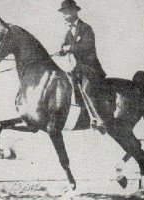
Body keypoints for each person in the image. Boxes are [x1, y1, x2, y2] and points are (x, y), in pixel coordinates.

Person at [58, 0, 113, 132]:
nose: (65, 15)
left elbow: (87, 46)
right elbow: (64, 46)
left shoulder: (86, 28)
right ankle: (85, 116)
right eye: (63, 13)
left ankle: (100, 120)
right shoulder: (68, 33)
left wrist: (69, 47)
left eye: (67, 12)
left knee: (86, 89)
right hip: (78, 70)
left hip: (90, 68)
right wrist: (62, 50)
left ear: (74, 12)